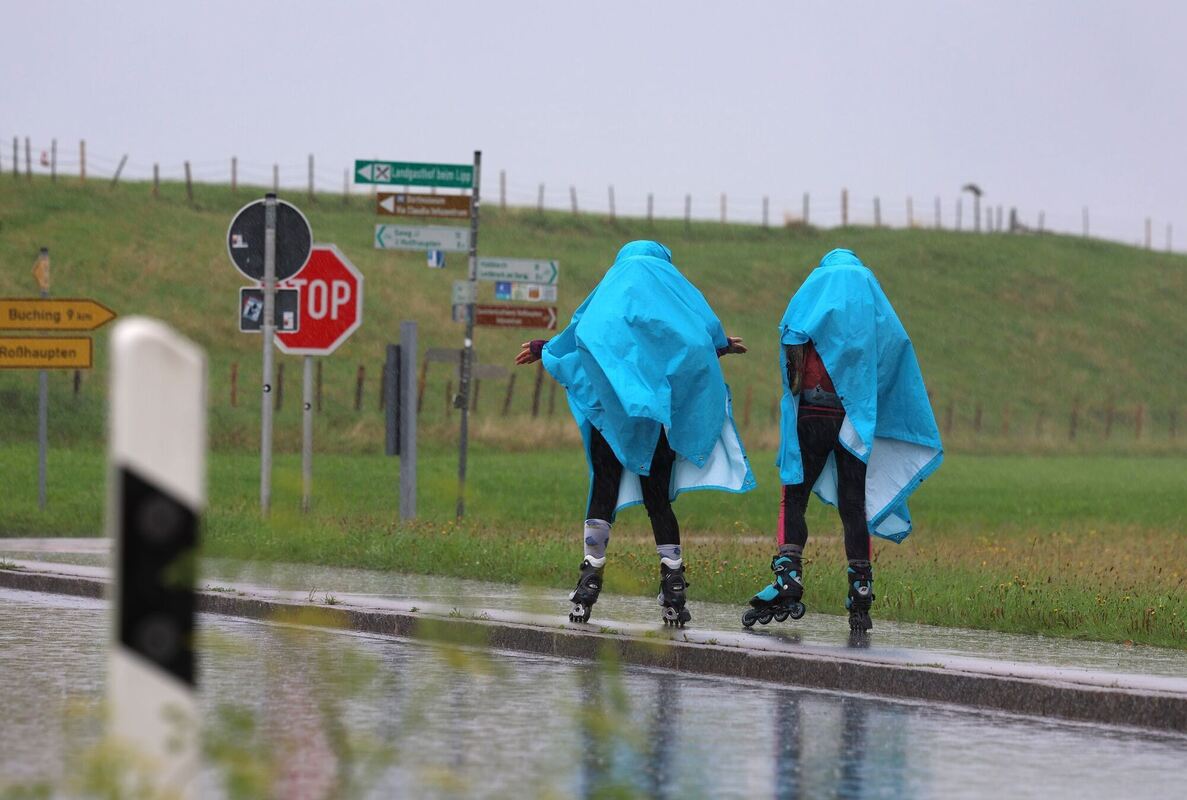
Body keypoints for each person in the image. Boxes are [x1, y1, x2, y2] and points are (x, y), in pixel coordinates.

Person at [516, 240, 754, 627]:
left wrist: (545, 348)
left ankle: (589, 581)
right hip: (654, 419)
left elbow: (582, 335)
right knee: (657, 500)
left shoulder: (610, 290)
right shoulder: (674, 292)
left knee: (604, 491)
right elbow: (695, 339)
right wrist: (721, 346)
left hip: (611, 417)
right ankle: (673, 585)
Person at [742, 248, 942, 633]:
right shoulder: (870, 292)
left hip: (812, 412)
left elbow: (791, 335)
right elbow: (895, 350)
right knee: (853, 504)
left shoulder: (815, 286)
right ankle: (861, 589)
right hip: (853, 418)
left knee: (794, 496)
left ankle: (788, 576)